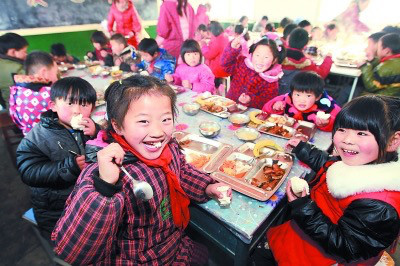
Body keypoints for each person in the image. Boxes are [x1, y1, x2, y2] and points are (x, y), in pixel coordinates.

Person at [52, 75, 232, 265]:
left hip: (173, 243)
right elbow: (73, 253)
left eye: (165, 119)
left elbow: (181, 171)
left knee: (206, 254)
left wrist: (206, 187)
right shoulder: (105, 172)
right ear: (117, 126)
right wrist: (105, 187)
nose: (157, 132)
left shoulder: (167, 147)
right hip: (138, 259)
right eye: (144, 121)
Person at [264, 95, 400, 265]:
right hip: (306, 235)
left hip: (323, 257)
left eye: (361, 133)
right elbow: (329, 163)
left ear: (392, 141)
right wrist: (302, 149)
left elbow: (346, 246)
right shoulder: (363, 159)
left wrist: (304, 208)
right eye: (342, 129)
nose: (347, 140)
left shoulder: (380, 206)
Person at [16, 76, 98, 240]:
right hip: (57, 210)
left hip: (85, 198)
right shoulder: (38, 137)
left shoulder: (87, 127)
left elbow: (101, 148)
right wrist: (68, 167)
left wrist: (97, 132)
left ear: (93, 108)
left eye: (84, 104)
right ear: (53, 106)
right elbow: (28, 170)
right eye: (70, 103)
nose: (77, 110)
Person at [221, 36, 286, 110]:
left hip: (250, 117)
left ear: (274, 60)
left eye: (266, 57)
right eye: (257, 55)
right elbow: (226, 65)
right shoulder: (243, 64)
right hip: (228, 108)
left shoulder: (272, 82)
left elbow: (266, 104)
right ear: (252, 54)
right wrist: (233, 49)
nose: (260, 61)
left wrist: (250, 100)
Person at [263, 71, 341, 132]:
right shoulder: (285, 99)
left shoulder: (327, 107)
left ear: (318, 97)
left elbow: (339, 127)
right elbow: (264, 112)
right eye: (297, 95)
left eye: (308, 96)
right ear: (292, 93)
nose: (302, 100)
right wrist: (274, 108)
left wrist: (326, 123)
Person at [9, 51, 58, 135]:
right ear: (44, 72)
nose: (56, 78)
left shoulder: (17, 89)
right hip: (50, 142)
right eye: (56, 73)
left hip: (29, 139)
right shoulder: (48, 93)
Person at [279, 28, 333, 94]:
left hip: (277, 96)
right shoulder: (307, 63)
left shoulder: (278, 57)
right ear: (305, 45)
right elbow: (321, 74)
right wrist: (328, 58)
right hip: (299, 97)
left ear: (288, 40)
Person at [360, 33, 400, 97]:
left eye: (378, 48)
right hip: (395, 99)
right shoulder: (395, 62)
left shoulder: (386, 67)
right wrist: (373, 60)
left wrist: (364, 66)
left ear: (387, 51)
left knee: (350, 90)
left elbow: (371, 86)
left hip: (384, 100)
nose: (377, 51)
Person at [0, 33, 28, 110]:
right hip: (19, 110)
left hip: (7, 107)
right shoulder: (16, 68)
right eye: (24, 51)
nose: (26, 54)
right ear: (12, 52)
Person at [202, 21, 230, 88]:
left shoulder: (218, 40)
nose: (210, 34)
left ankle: (212, 90)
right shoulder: (224, 36)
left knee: (203, 70)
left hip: (218, 69)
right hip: (225, 67)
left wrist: (204, 46)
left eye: (209, 32)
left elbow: (209, 55)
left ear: (213, 31)